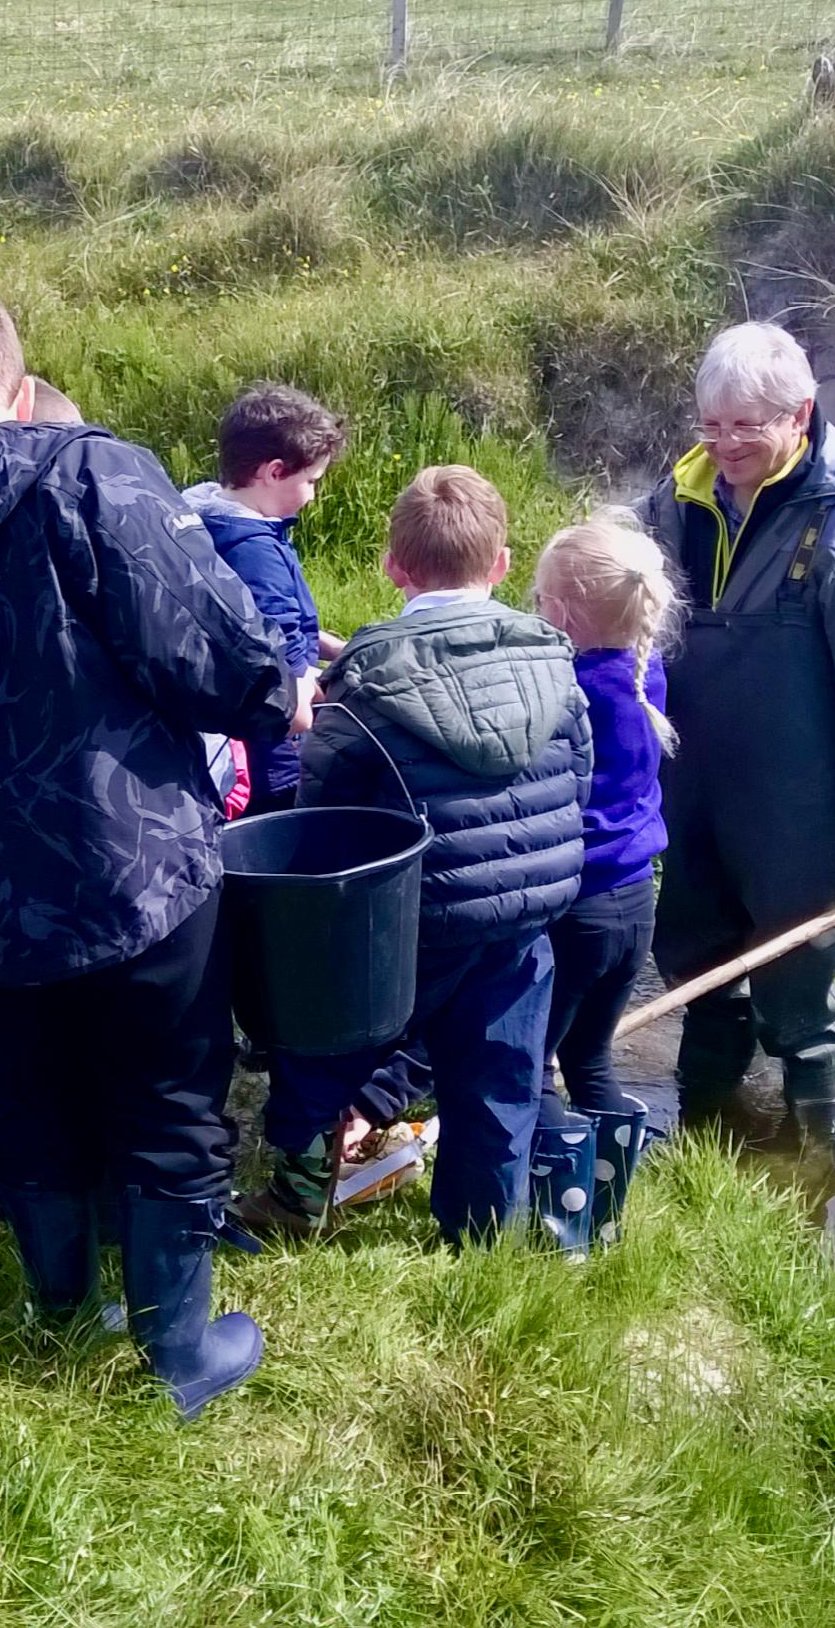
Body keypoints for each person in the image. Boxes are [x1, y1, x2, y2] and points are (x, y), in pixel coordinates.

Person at [0, 286, 295, 1418]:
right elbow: (208, 646)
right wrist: (272, 695)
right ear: (20, 379)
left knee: (27, 1081)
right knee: (168, 1091)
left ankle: (57, 1308)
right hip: (131, 855)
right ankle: (176, 1352)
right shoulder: (96, 471)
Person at [237, 465, 592, 1245]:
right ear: (500, 564)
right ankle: (481, 1232)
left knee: (323, 1043)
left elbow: (323, 810)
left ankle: (299, 1196)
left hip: (415, 910)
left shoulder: (365, 675)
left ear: (393, 567)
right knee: (499, 1073)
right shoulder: (554, 661)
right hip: (528, 909)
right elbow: (578, 773)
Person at [640, 322, 835, 1121]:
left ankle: (812, 1169)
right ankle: (706, 1133)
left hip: (796, 813)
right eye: (711, 424)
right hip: (690, 798)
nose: (726, 444)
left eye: (747, 425)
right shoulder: (670, 507)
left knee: (798, 995)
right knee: (698, 971)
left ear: (800, 413)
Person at [530, 510, 679, 1249]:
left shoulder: (569, 691)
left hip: (577, 907)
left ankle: (563, 1237)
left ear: (557, 612)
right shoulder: (645, 668)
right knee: (588, 1056)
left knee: (530, 1064)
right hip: (633, 904)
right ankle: (606, 1210)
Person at [180, 384, 348, 817]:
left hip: (229, 733)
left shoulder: (203, 521)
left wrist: (333, 647)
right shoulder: (255, 551)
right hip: (274, 755)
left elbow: (261, 622)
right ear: (273, 472)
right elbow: (283, 662)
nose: (312, 495)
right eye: (310, 481)